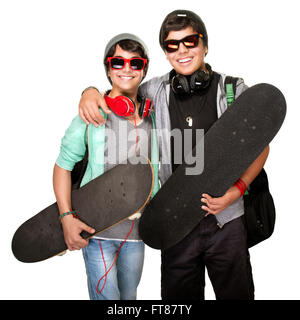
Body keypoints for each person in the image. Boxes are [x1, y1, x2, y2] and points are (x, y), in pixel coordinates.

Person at [77, 10, 270, 300]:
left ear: (204, 45)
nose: (182, 50)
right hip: (175, 223)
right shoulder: (154, 91)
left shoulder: (231, 90)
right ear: (166, 53)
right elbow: (120, 90)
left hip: (227, 221)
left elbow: (261, 145)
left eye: (190, 41)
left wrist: (236, 191)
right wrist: (89, 91)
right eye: (172, 45)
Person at [53, 33, 159, 300]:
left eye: (135, 63)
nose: (126, 69)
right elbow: (63, 166)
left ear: (144, 69)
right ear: (108, 69)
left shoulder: (153, 117)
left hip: (137, 233)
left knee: (128, 298)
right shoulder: (91, 114)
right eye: (117, 62)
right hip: (97, 231)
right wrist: (66, 218)